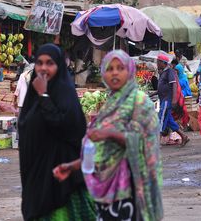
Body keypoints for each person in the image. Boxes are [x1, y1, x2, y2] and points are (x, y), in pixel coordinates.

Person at [53, 50, 163, 221]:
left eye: (120, 68)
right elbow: (101, 151)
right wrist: (73, 166)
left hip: (131, 190)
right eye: (110, 68)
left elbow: (143, 141)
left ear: (129, 71)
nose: (115, 72)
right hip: (106, 192)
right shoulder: (110, 103)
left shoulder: (139, 102)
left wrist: (108, 133)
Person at [18, 43, 95, 221]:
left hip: (61, 175)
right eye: (39, 63)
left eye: (50, 63)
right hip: (36, 173)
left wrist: (44, 96)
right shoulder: (32, 95)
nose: (43, 68)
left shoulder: (65, 93)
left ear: (59, 66)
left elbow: (66, 127)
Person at [157, 54, 190, 146]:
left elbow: (174, 85)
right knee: (169, 121)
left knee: (161, 118)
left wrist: (174, 99)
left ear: (163, 63)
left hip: (167, 100)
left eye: (158, 62)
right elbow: (163, 87)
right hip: (164, 99)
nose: (157, 64)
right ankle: (183, 136)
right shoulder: (163, 72)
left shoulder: (169, 72)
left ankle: (156, 141)